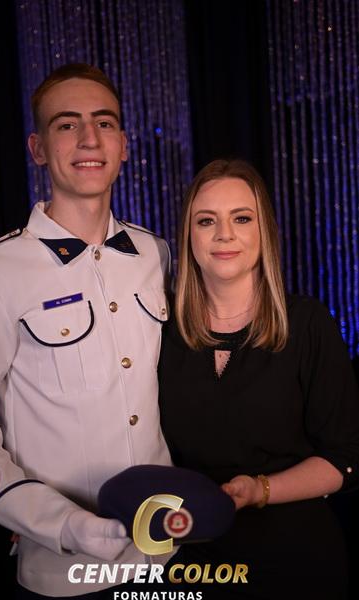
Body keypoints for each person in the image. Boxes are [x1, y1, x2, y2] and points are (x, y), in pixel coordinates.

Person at [0, 63, 175, 598]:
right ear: (37, 148)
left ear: (123, 145)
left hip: (166, 552)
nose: (89, 139)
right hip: (64, 571)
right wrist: (58, 522)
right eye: (66, 124)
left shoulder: (155, 253)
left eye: (105, 123)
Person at [158, 159, 359, 599]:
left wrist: (260, 490)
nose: (224, 234)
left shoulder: (307, 324)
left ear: (264, 231)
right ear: (188, 236)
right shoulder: (159, 331)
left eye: (242, 218)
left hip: (294, 563)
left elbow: (343, 459)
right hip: (189, 561)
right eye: (206, 221)